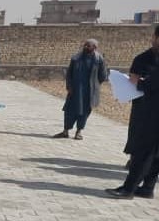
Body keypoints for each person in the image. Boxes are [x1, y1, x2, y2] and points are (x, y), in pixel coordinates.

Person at [106, 25, 159, 199]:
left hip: (151, 114)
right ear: (154, 37)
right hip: (144, 109)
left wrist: (140, 82)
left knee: (144, 151)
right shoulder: (143, 58)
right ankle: (147, 188)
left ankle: (129, 189)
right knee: (152, 151)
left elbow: (152, 85)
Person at [53, 39, 108, 140]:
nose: (86, 47)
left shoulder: (99, 59)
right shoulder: (76, 58)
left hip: (88, 92)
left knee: (84, 111)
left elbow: (103, 76)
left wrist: (94, 86)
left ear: (95, 48)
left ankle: (79, 132)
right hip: (75, 90)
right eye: (85, 45)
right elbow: (69, 74)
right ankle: (65, 131)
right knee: (69, 110)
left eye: (89, 45)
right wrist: (69, 86)